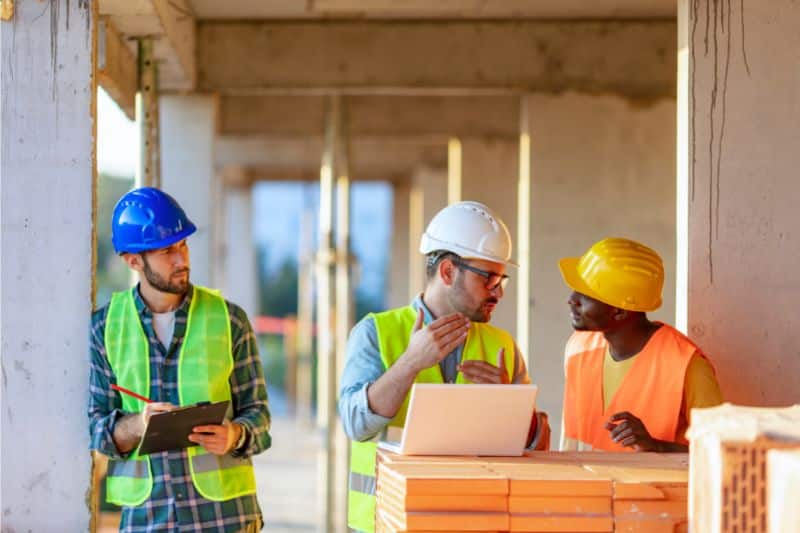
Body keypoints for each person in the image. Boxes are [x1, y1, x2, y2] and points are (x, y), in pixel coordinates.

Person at [339, 201, 550, 533]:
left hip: (473, 522)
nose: (498, 292)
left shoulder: (503, 346)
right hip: (388, 521)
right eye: (489, 279)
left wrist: (511, 407)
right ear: (449, 272)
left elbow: (538, 445)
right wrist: (410, 363)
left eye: (502, 280)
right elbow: (355, 424)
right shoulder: (375, 333)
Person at [88, 187, 271, 532]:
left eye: (183, 245)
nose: (181, 259)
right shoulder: (105, 327)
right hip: (148, 519)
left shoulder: (230, 320)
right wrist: (138, 425)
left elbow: (259, 415)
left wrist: (234, 435)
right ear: (133, 260)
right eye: (167, 250)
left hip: (225, 518)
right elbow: (96, 428)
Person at [559, 237, 723, 453]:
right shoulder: (578, 348)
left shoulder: (687, 366)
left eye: (587, 295)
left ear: (619, 311)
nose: (572, 299)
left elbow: (721, 453)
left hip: (657, 488)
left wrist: (656, 447)